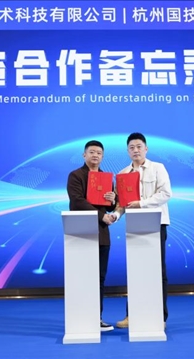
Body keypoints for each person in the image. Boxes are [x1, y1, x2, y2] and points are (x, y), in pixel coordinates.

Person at [114, 132, 172, 329]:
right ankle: (131, 315)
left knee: (158, 271)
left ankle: (160, 317)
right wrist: (115, 215)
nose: (135, 150)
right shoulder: (123, 174)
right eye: (131, 147)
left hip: (156, 223)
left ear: (146, 149)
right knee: (135, 270)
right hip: (134, 225)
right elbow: (122, 203)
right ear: (127, 151)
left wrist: (142, 203)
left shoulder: (158, 168)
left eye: (139, 146)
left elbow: (166, 193)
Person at [66, 140, 117, 331]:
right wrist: (101, 215)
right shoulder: (75, 175)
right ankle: (80, 318)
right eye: (92, 152)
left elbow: (109, 207)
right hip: (81, 232)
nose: (95, 155)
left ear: (102, 157)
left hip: (102, 233)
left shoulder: (106, 178)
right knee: (81, 277)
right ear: (84, 155)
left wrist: (113, 200)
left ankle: (97, 317)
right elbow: (77, 201)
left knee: (99, 278)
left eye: (99, 153)